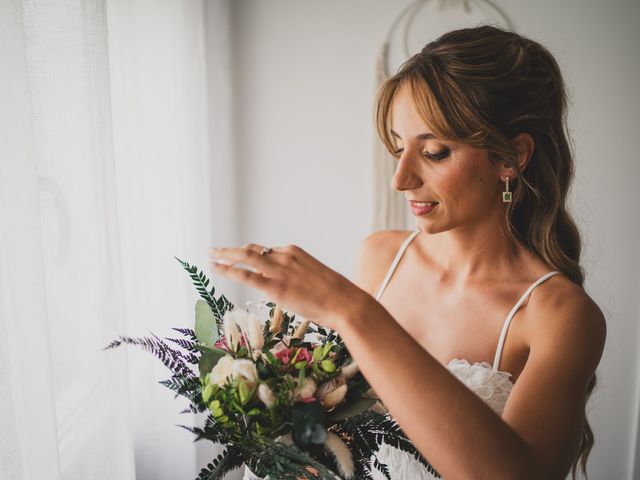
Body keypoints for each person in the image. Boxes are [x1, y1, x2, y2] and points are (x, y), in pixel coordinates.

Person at [209, 25, 606, 480]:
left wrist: (350, 310)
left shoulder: (558, 316)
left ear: (510, 157)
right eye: (399, 147)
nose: (400, 179)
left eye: (435, 152)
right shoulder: (380, 258)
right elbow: (328, 427)